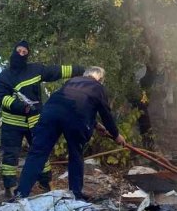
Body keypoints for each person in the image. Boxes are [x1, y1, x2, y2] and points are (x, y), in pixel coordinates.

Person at [16, 66, 125, 200]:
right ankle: (75, 195)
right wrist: (116, 135)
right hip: (75, 118)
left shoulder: (72, 81)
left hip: (49, 114)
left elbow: (72, 104)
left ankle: (20, 194)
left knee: (37, 153)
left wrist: (96, 125)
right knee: (75, 154)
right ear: (100, 79)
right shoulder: (98, 87)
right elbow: (105, 114)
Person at [0, 40, 85, 197]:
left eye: (24, 52)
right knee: (10, 155)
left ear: (27, 54)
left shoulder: (35, 70)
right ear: (14, 51)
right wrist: (20, 106)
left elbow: (56, 71)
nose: (21, 54)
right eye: (19, 51)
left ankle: (45, 182)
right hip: (12, 122)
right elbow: (2, 98)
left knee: (41, 151)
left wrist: (80, 70)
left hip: (34, 120)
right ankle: (10, 187)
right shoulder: (4, 77)